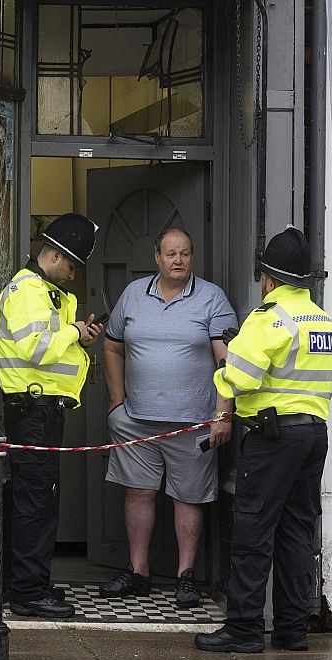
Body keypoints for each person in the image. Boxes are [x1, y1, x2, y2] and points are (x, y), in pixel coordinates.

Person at [194, 227, 332, 653]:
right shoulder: (324, 321)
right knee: (296, 535)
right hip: (314, 435)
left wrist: (225, 363)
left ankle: (243, 629)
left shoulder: (268, 318)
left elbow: (239, 379)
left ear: (269, 278)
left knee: (253, 532)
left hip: (273, 437)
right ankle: (293, 631)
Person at [99, 227, 237, 609]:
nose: (179, 260)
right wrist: (116, 403)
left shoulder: (212, 299)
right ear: (156, 256)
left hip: (192, 424)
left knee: (188, 499)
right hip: (137, 420)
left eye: (186, 254)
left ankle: (186, 577)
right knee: (137, 493)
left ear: (192, 258)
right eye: (171, 254)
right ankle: (138, 572)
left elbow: (229, 361)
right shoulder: (133, 295)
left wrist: (222, 414)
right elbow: (111, 347)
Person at [0, 213, 104, 618]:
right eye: (73, 265)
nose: (74, 275)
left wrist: (78, 336)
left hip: (44, 412)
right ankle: (25, 593)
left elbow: (48, 351)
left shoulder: (46, 292)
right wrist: (74, 332)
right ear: (55, 256)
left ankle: (34, 583)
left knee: (41, 504)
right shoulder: (27, 291)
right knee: (35, 504)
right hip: (32, 412)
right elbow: (35, 350)